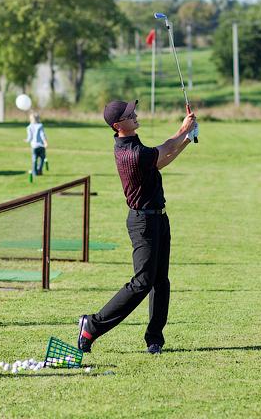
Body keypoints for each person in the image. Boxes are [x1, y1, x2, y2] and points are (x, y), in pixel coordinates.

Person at [78, 99, 198, 354]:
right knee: (142, 282)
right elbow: (164, 148)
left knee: (160, 281)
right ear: (117, 125)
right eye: (129, 114)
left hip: (158, 219)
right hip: (143, 223)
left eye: (132, 111)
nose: (134, 114)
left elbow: (160, 161)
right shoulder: (130, 152)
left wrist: (187, 139)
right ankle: (92, 325)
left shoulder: (133, 145)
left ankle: (154, 338)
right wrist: (182, 129)